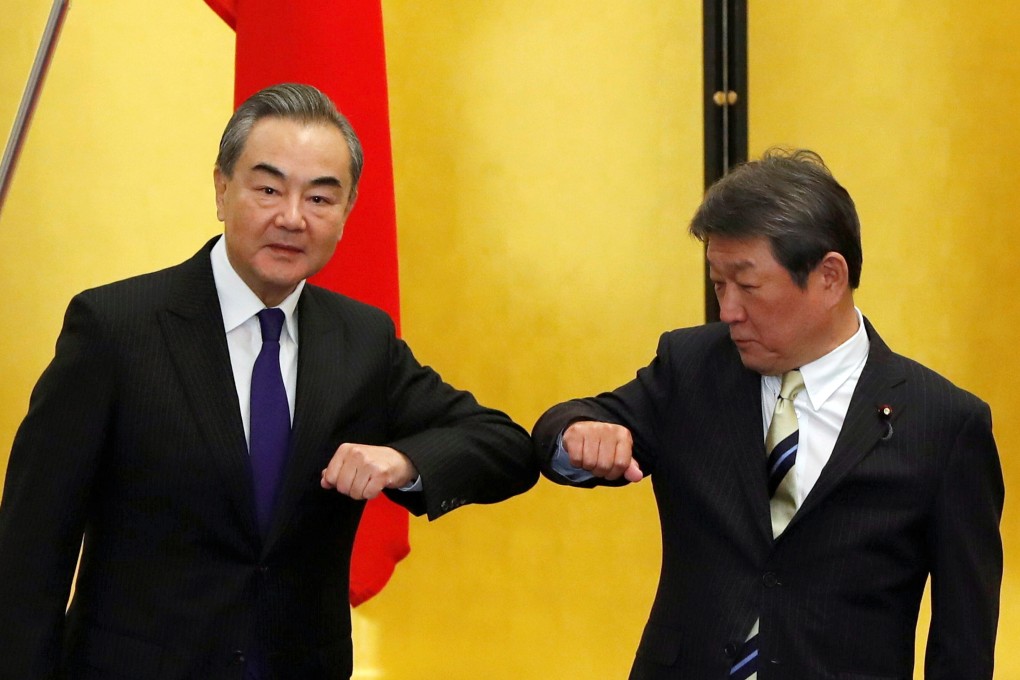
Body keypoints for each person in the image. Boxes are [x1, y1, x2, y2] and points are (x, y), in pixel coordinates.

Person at [0, 83, 538, 680]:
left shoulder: (361, 340)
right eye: (268, 188)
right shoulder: (115, 329)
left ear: (346, 212)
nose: (291, 217)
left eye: (321, 198)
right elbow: (29, 557)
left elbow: (506, 446)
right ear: (221, 189)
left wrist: (400, 463)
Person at [533, 149, 1003, 680]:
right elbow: (568, 426)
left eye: (747, 285)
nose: (727, 309)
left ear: (829, 277)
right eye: (718, 284)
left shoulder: (943, 423)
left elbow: (963, 643)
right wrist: (577, 433)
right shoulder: (691, 368)